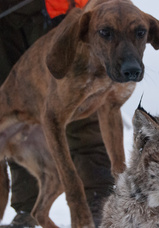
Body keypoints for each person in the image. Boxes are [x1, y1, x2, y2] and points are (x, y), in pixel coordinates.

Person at [0, 0, 114, 227]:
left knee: (80, 103)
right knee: (16, 114)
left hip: (58, 12)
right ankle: (28, 208)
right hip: (5, 18)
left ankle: (98, 199)